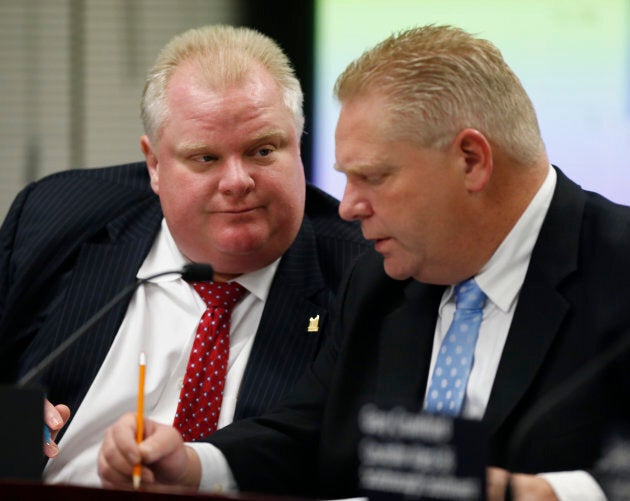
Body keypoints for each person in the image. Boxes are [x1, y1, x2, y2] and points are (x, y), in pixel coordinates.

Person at [97, 24, 630, 500]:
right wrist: (192, 465)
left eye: (372, 177)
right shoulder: (382, 279)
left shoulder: (617, 265)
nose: (348, 206)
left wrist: (545, 494)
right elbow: (307, 433)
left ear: (470, 161)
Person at [0, 24, 368, 486]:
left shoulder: (366, 274)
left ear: (299, 143)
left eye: (262, 150)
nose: (237, 181)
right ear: (154, 164)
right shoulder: (57, 218)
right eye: (206, 158)